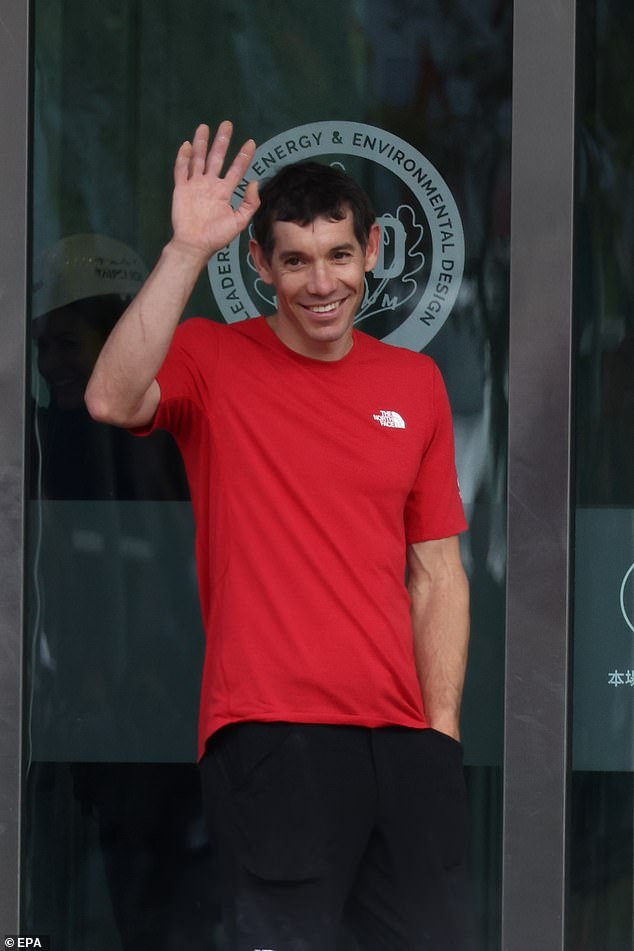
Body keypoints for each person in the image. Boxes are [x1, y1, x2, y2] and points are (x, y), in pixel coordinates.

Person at [85, 121, 472, 950]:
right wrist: (187, 249)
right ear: (260, 265)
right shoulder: (211, 358)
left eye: (338, 254)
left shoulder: (416, 381)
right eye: (295, 259)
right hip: (271, 731)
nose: (320, 281)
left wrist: (438, 737)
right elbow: (111, 399)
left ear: (373, 249)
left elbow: (437, 572)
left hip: (402, 747)